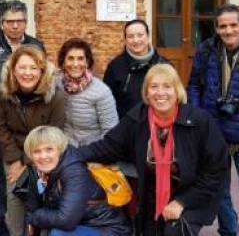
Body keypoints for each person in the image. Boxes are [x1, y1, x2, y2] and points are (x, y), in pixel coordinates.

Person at [77, 64, 227, 235]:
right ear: (146, 93)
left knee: (174, 232)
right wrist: (68, 155)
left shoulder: (199, 121)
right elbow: (107, 147)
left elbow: (216, 169)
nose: (160, 92)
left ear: (177, 91)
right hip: (151, 198)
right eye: (154, 86)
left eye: (167, 86)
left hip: (191, 195)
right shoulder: (137, 119)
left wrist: (182, 202)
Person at [0, 0, 45, 236]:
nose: (16, 26)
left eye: (20, 21)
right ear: (2, 23)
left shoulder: (37, 46)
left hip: (28, 124)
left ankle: (25, 218)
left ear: (26, 23)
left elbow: (43, 81)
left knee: (26, 171)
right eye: (10, 21)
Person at [0, 45, 65, 236]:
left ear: (41, 70)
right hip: (12, 150)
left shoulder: (55, 95)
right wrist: (15, 160)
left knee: (46, 195)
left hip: (45, 151)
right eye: (22, 67)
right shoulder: (1, 91)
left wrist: (26, 162)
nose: (27, 73)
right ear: (13, 69)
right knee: (14, 194)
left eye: (33, 68)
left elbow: (54, 132)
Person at [187, 3, 239, 236]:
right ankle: (229, 231)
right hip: (214, 132)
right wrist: (198, 117)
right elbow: (193, 85)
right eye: (223, 26)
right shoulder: (206, 50)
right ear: (216, 28)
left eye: (233, 25)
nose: (228, 31)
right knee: (219, 190)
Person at [24, 125, 131, 236]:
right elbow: (31, 207)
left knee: (58, 234)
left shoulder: (75, 171)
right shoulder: (37, 169)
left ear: (59, 149)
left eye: (49, 149)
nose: (43, 156)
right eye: (36, 151)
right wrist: (31, 222)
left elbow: (66, 220)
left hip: (106, 228)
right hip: (80, 224)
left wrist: (35, 217)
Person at [57, 38, 118, 147]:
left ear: (87, 62)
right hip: (63, 146)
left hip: (93, 149)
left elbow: (110, 132)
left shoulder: (101, 91)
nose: (75, 64)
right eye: (70, 58)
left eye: (80, 59)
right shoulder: (57, 84)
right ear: (63, 62)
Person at [103, 19, 168, 119]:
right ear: (125, 39)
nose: (136, 40)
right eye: (130, 36)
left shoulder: (164, 65)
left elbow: (174, 97)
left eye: (140, 35)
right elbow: (107, 101)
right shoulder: (115, 67)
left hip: (159, 123)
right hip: (127, 126)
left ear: (148, 36)